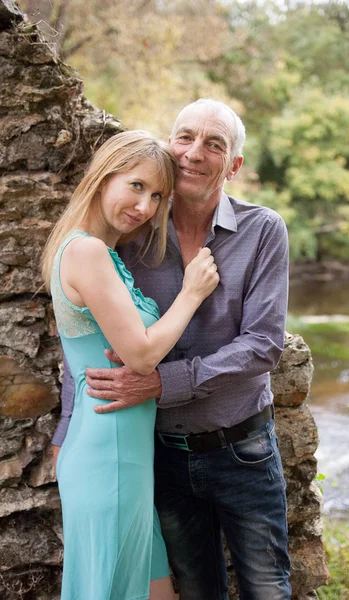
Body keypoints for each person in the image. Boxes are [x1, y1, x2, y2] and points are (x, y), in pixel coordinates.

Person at [53, 99, 291, 600]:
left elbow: (265, 344)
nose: (194, 153)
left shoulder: (263, 230)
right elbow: (90, 339)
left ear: (234, 165)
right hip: (160, 454)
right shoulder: (131, 237)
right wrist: (66, 427)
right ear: (168, 142)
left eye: (214, 144)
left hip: (241, 449)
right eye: (184, 137)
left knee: (268, 589)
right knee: (195, 591)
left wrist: (165, 382)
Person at [43, 130, 219, 600]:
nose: (144, 206)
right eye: (136, 186)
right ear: (104, 177)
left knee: (156, 592)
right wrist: (192, 293)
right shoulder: (86, 252)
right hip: (109, 458)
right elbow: (142, 354)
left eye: (158, 195)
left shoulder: (108, 255)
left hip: (124, 458)